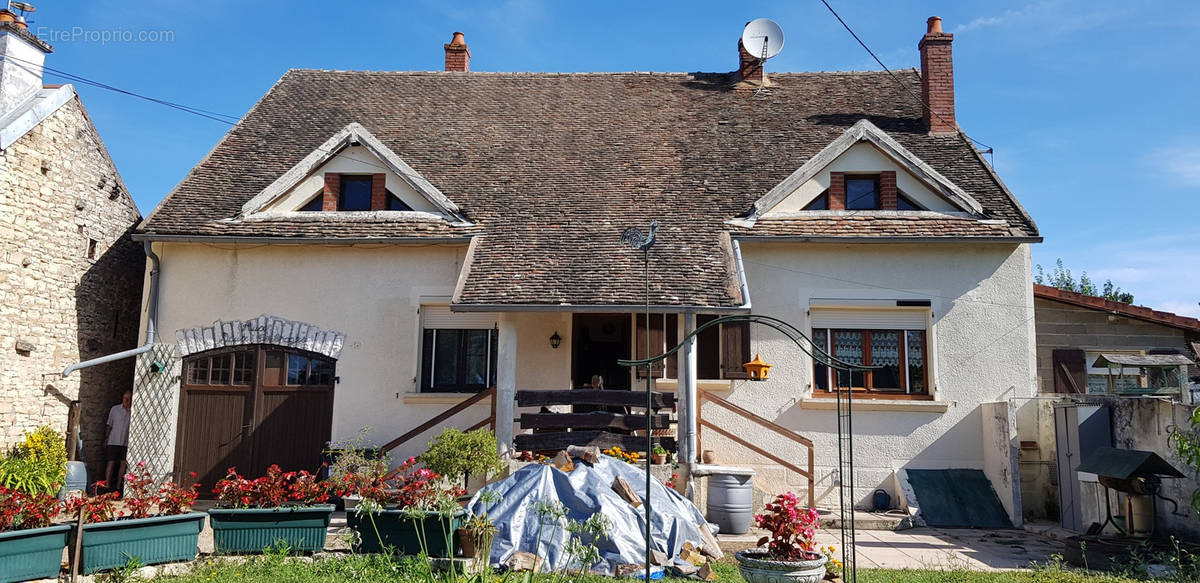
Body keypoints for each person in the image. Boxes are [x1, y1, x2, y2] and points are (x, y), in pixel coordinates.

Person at [104, 391, 132, 494]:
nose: (126, 401)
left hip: (125, 442)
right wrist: (106, 438)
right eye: (125, 398)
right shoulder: (115, 409)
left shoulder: (133, 411)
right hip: (113, 440)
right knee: (110, 463)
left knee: (123, 464)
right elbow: (109, 424)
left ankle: (118, 485)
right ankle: (107, 484)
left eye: (128, 399)